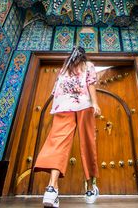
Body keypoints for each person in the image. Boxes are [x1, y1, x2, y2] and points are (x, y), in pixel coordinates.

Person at [34, 46, 101, 207]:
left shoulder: (63, 70)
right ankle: (90, 189)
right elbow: (91, 84)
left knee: (57, 143)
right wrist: (96, 104)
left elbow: (54, 92)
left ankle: (51, 188)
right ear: (83, 57)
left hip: (63, 107)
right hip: (84, 105)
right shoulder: (88, 65)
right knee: (87, 143)